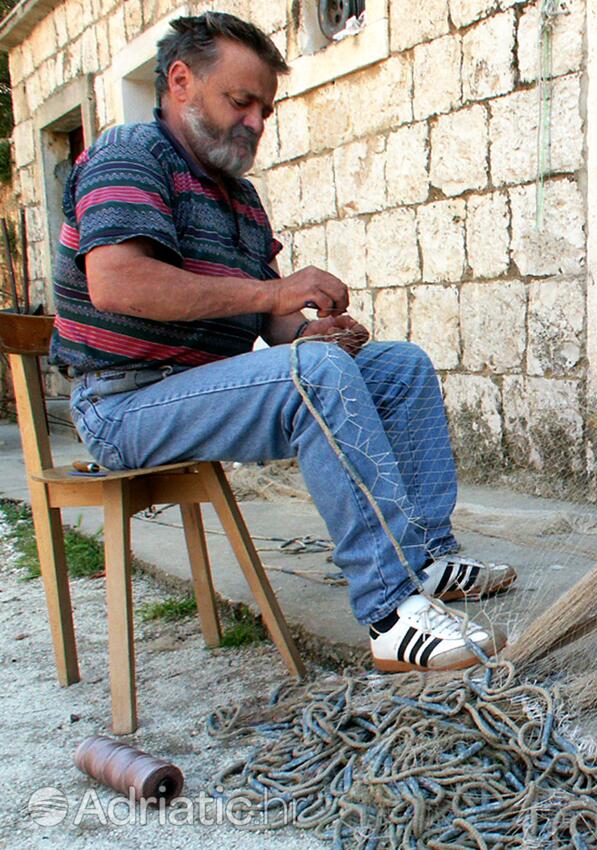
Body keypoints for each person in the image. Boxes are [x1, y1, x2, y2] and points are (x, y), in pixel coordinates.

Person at [49, 11, 514, 673]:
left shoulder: (239, 197)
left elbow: (272, 323)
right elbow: (118, 284)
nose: (256, 124)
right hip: (123, 406)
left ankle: (426, 559)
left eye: (265, 110)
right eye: (241, 102)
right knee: (310, 375)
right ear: (180, 82)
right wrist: (278, 301)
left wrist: (310, 329)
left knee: (398, 367)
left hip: (204, 389)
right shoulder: (128, 154)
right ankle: (389, 614)